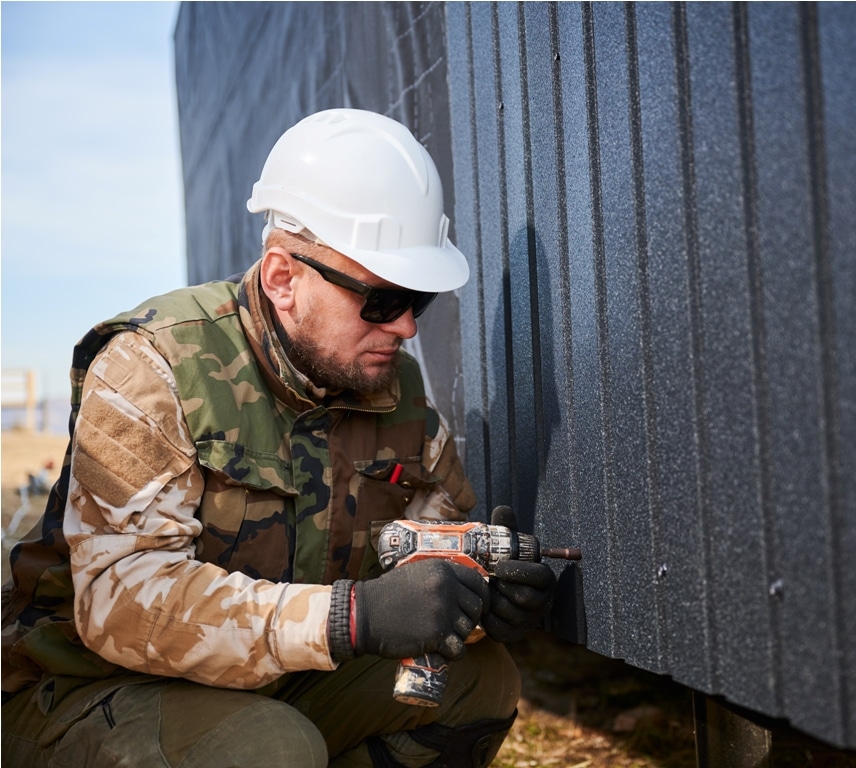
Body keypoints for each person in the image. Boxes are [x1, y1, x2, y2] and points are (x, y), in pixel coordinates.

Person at [1, 108, 556, 768]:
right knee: (269, 747)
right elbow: (122, 603)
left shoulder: (392, 388)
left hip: (273, 676)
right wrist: (351, 618)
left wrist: (482, 594)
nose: (407, 326)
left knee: (473, 683)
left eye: (420, 300)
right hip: (92, 690)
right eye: (382, 300)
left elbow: (422, 556)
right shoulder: (153, 368)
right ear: (283, 279)